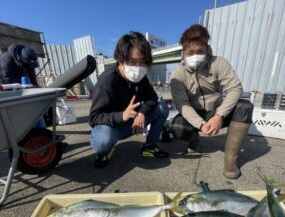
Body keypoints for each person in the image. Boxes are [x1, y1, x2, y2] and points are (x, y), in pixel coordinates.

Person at [170, 24, 254, 179]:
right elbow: (182, 104)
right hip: (194, 111)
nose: (195, 56)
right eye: (190, 52)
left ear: (207, 48)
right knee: (176, 127)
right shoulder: (177, 74)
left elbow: (235, 88)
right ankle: (194, 141)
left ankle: (230, 161)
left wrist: (219, 116)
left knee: (245, 107)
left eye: (200, 51)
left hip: (216, 109)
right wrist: (200, 125)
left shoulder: (219, 62)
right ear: (183, 52)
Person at [89, 31, 169, 168]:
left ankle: (149, 147)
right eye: (132, 62)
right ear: (120, 59)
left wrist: (142, 113)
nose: (138, 67)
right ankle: (105, 151)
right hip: (114, 128)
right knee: (102, 140)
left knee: (162, 107)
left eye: (142, 62)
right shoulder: (107, 81)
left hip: (135, 123)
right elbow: (94, 118)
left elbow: (152, 97)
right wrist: (122, 116)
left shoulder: (141, 77)